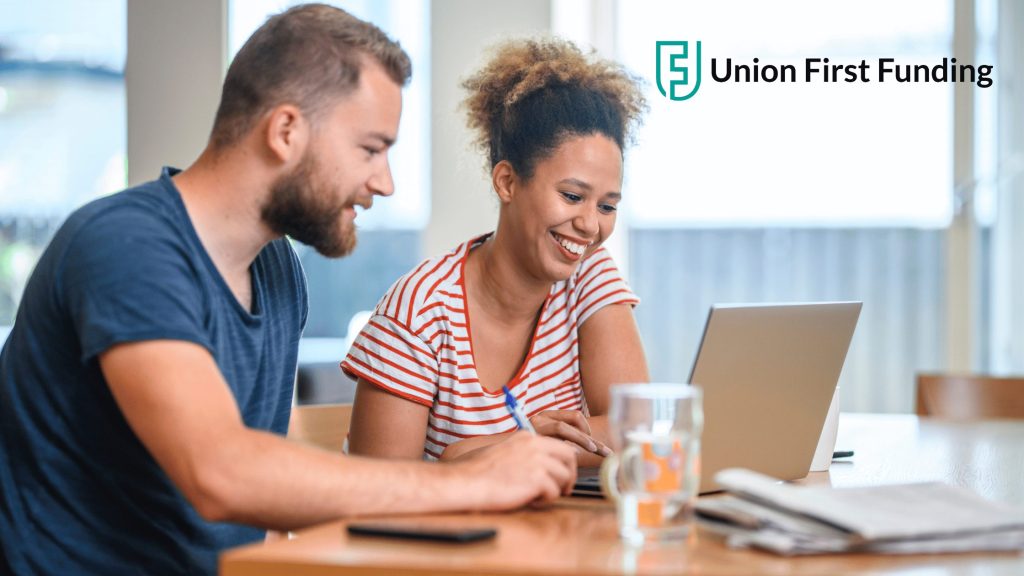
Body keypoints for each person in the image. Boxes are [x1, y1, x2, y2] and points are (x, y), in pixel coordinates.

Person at [0, 6, 577, 575]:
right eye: (370, 149)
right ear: (285, 131)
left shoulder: (276, 269)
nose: (385, 181)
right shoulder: (126, 246)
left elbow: (270, 493)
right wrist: (463, 481)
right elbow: (220, 473)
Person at [344, 38, 649, 465]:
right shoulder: (418, 312)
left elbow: (638, 431)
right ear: (507, 182)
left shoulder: (589, 275)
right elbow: (375, 494)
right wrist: (512, 450)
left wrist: (485, 451)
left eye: (607, 206)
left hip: (560, 531)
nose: (590, 225)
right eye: (572, 195)